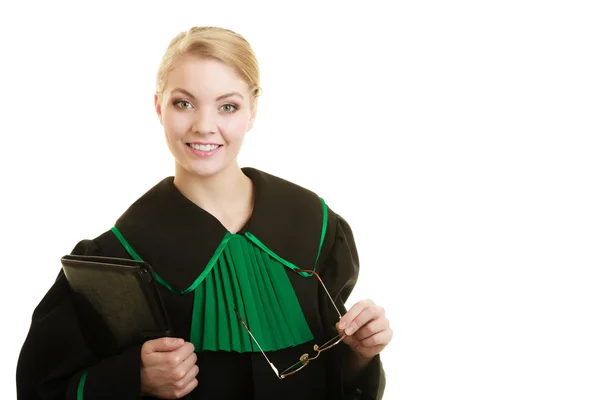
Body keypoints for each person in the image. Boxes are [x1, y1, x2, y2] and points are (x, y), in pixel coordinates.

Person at [16, 26, 393, 400]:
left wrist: (361, 354)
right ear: (158, 106)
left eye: (227, 106)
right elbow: (43, 390)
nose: (204, 126)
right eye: (184, 103)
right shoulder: (114, 260)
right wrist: (134, 378)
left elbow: (332, 380)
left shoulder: (314, 225)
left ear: (252, 111)